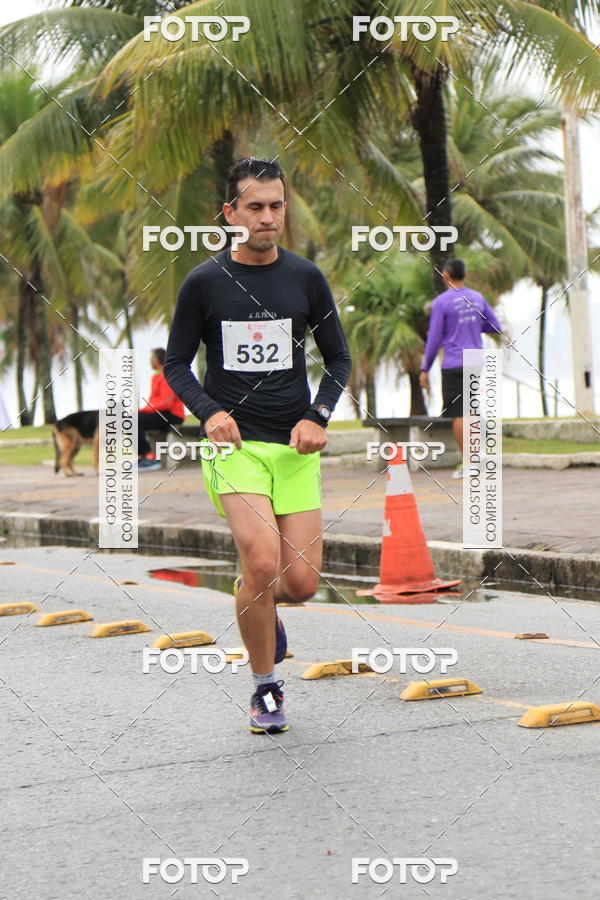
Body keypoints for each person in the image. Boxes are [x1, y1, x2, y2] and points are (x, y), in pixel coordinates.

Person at [164, 158, 351, 734]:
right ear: (230, 214)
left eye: (276, 206)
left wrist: (319, 415)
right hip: (234, 448)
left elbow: (338, 359)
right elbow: (176, 363)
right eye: (255, 207)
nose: (267, 217)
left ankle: (266, 615)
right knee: (263, 564)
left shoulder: (305, 277)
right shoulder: (204, 282)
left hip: (294, 450)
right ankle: (265, 687)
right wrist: (210, 412)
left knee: (298, 585)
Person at [419, 259, 501, 478]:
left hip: (454, 361)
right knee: (471, 407)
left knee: (459, 412)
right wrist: (474, 325)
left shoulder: (441, 302)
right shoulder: (477, 297)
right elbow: (494, 326)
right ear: (464, 274)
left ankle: (470, 462)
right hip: (475, 359)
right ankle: (477, 455)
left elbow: (434, 338)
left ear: (446, 274)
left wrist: (425, 368)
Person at [138, 348, 185, 470]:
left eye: (152, 358)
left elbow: (166, 403)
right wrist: (141, 410)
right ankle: (144, 456)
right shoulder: (155, 377)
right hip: (160, 414)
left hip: (172, 415)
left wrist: (143, 411)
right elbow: (152, 401)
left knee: (132, 420)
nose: (150, 361)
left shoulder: (167, 375)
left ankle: (150, 459)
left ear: (158, 359)